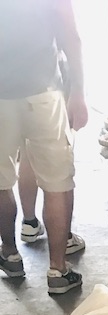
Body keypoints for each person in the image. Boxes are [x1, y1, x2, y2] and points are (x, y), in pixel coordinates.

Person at [0, 0, 87, 295]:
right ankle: (58, 270)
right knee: (57, 183)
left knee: (1, 181)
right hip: (43, 93)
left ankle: (10, 255)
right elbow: (70, 35)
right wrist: (78, 91)